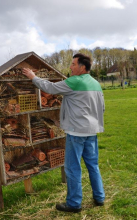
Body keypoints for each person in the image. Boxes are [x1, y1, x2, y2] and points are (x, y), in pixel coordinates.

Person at [22, 53, 105, 213]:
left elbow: (50, 88)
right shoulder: (95, 83)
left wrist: (33, 77)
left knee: (73, 167)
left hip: (77, 133)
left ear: (82, 67)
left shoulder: (74, 81)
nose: (70, 67)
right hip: (92, 131)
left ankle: (74, 204)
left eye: (73, 64)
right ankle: (99, 197)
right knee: (93, 165)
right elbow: (101, 108)